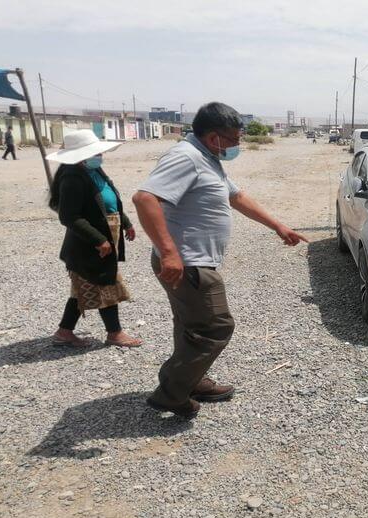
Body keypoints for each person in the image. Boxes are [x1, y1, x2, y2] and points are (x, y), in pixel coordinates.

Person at [133, 102, 308, 419]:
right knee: (215, 327)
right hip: (187, 264)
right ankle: (172, 392)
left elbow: (236, 197)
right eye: (234, 139)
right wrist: (170, 252)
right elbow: (145, 199)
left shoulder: (206, 158)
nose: (237, 144)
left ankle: (192, 380)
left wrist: (278, 226)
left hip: (192, 262)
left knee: (190, 325)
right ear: (214, 137)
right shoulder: (185, 157)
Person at [46, 130, 143, 348]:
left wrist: (126, 222)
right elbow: (69, 217)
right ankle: (114, 333)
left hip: (105, 236)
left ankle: (64, 332)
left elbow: (108, 201)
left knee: (85, 287)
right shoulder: (72, 178)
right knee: (104, 283)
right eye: (94, 153)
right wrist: (99, 239)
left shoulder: (93, 170)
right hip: (88, 244)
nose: (99, 156)